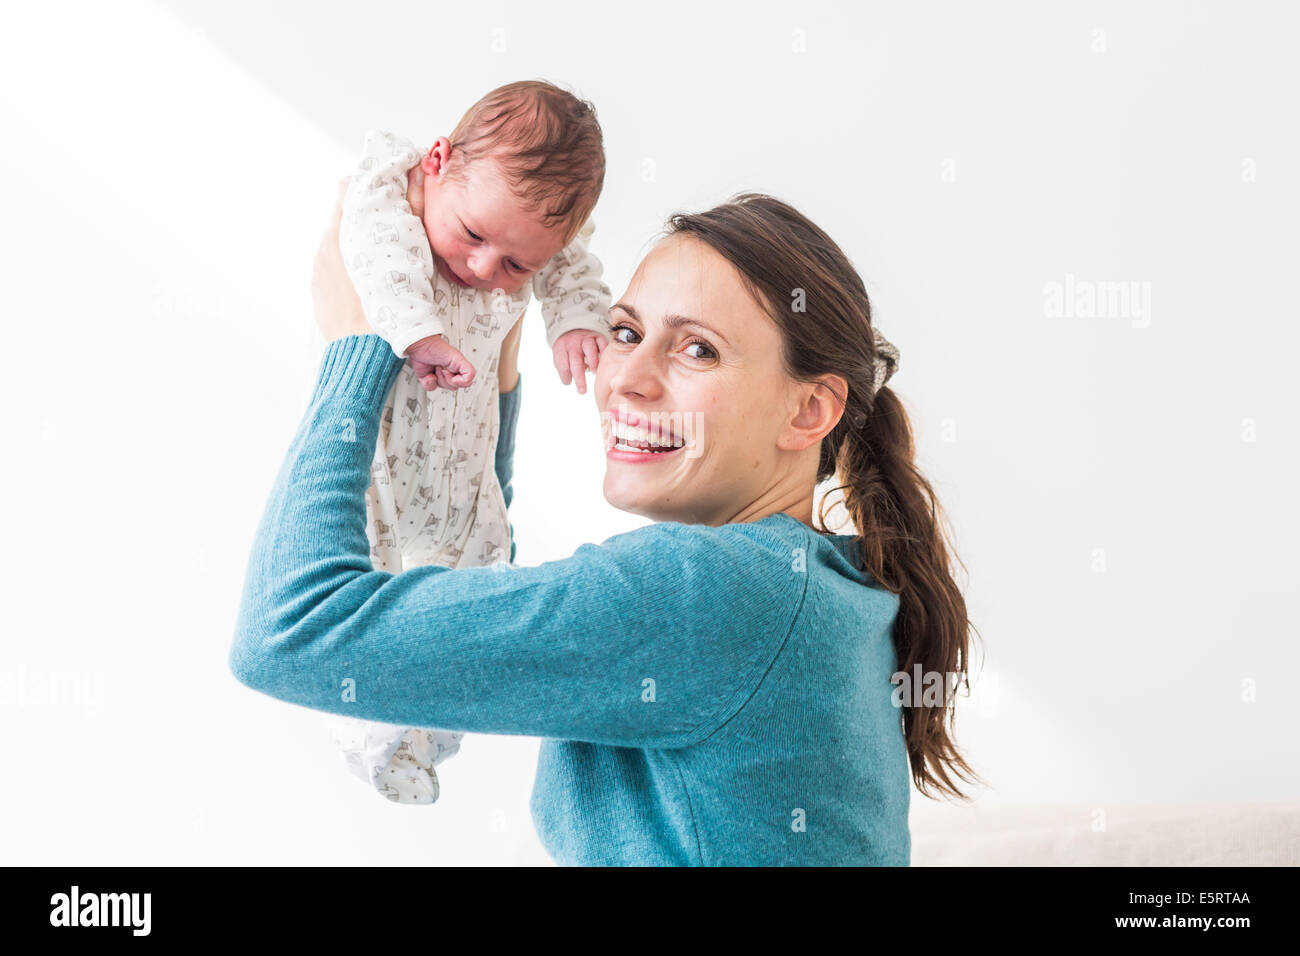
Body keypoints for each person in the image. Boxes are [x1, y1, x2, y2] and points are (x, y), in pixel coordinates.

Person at [230, 189, 982, 865]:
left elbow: (288, 632)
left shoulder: (705, 594)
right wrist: (494, 381)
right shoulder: (819, 590)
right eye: (625, 332)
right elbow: (497, 606)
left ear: (809, 410)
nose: (627, 377)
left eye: (697, 349)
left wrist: (357, 347)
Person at [327, 80, 612, 805]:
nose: (487, 270)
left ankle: (428, 732)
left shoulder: (529, 242)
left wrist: (575, 321)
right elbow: (374, 252)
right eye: (475, 235)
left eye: (518, 265)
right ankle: (371, 728)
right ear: (438, 162)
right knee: (367, 585)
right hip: (381, 465)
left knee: (487, 579)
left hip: (466, 473)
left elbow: (574, 269)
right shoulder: (390, 198)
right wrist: (418, 333)